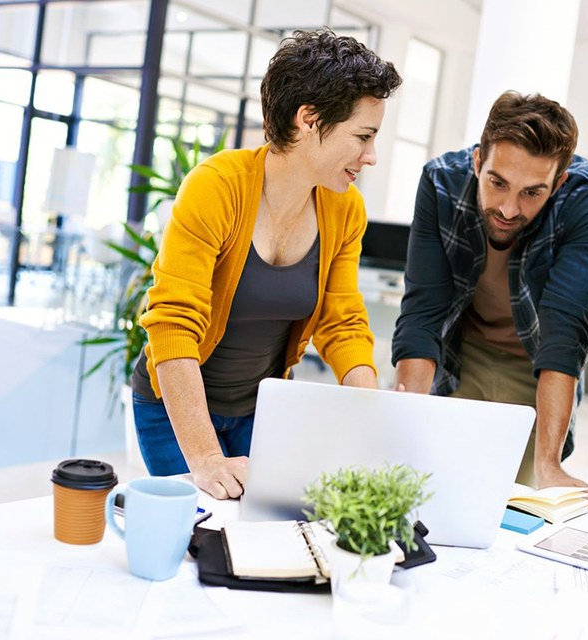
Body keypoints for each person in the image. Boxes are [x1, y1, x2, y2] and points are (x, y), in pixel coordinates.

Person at [130, 29, 402, 499]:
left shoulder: (344, 209)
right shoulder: (216, 188)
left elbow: (342, 323)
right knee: (202, 531)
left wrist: (371, 413)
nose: (371, 156)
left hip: (260, 409)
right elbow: (173, 322)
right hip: (177, 409)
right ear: (309, 119)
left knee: (267, 528)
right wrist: (207, 458)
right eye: (363, 136)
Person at [391, 91, 588, 502]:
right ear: (478, 161)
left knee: (510, 503)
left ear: (559, 182)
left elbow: (565, 332)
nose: (509, 209)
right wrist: (401, 426)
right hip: (462, 354)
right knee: (428, 486)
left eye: (532, 192)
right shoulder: (440, 182)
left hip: (534, 369)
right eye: (497, 183)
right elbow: (424, 309)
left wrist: (551, 465)